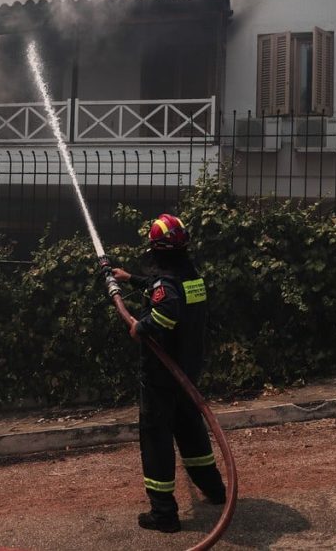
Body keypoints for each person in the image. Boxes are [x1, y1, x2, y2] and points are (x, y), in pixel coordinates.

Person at [110, 213, 226, 533]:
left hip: (162, 376)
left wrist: (141, 326)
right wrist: (130, 278)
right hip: (187, 373)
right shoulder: (192, 276)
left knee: (157, 438)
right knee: (190, 430)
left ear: (157, 249)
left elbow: (166, 310)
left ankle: (164, 513)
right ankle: (215, 490)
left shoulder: (167, 285)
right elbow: (168, 289)